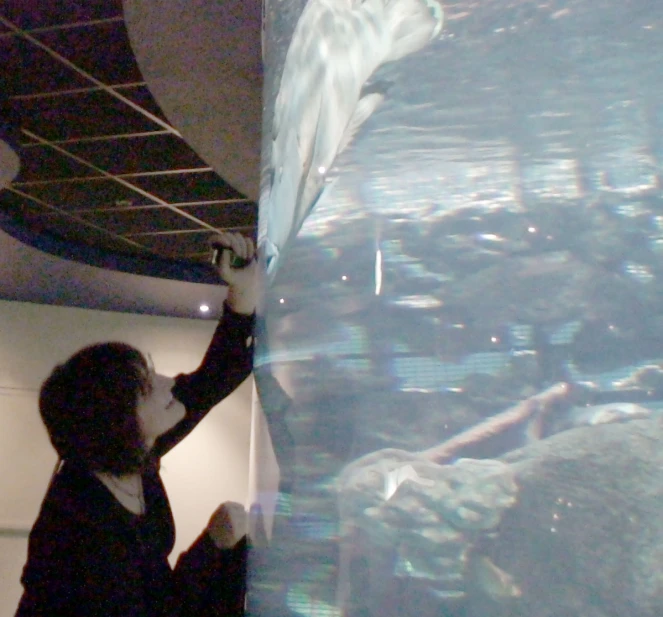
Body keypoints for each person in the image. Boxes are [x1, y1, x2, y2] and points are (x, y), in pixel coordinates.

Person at [15, 232, 258, 617]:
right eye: (147, 387)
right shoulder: (82, 528)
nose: (168, 383)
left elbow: (210, 381)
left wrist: (241, 294)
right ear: (117, 422)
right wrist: (213, 544)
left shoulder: (129, 456)